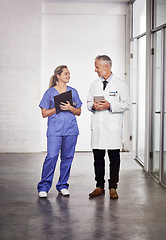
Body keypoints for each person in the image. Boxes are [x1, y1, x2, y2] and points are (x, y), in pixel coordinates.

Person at [87, 55, 130, 199]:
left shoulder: (121, 84)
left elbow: (126, 104)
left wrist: (110, 105)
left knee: (114, 159)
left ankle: (113, 187)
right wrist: (93, 105)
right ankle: (99, 186)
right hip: (98, 128)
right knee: (98, 159)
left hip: (113, 129)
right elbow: (87, 103)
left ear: (106, 67)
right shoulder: (94, 84)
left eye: (97, 67)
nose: (95, 70)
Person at [37, 65, 82, 198]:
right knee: (51, 157)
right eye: (66, 74)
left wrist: (69, 107)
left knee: (67, 158)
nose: (68, 76)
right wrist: (57, 108)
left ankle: (62, 185)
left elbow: (78, 111)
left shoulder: (73, 92)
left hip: (71, 130)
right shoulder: (50, 93)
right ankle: (43, 186)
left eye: (69, 74)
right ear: (58, 76)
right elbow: (44, 113)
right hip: (54, 130)